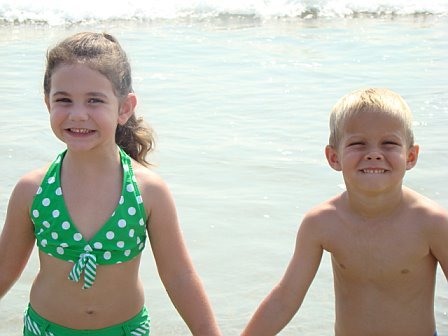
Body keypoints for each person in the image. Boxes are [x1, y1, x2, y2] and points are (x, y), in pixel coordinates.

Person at [0, 32, 221, 336]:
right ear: (47, 102)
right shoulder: (32, 190)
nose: (78, 114)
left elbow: (179, 277)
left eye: (94, 100)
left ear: (124, 108)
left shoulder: (149, 192)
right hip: (45, 330)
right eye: (63, 100)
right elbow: (4, 272)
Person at [242, 88, 448, 336]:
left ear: (411, 156)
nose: (373, 153)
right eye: (358, 144)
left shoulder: (431, 223)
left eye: (389, 143)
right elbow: (286, 298)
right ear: (333, 157)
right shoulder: (322, 223)